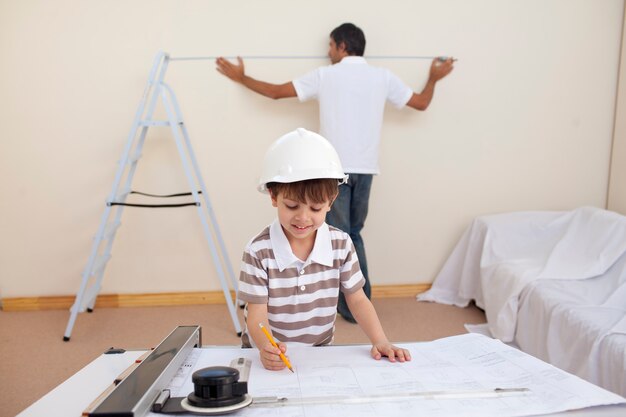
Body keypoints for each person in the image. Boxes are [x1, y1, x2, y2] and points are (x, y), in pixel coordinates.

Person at [217, 22, 454, 323]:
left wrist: (241, 77)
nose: (328, 52)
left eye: (330, 46)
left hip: (332, 170)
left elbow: (276, 93)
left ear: (342, 46)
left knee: (337, 237)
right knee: (352, 235)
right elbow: (421, 102)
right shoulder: (382, 77)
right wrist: (434, 78)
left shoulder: (325, 75)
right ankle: (357, 304)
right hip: (366, 169)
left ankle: (350, 306)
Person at [238, 128, 411, 371]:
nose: (303, 218)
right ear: (273, 195)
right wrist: (266, 347)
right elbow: (256, 313)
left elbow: (358, 299)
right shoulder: (258, 250)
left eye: (316, 208)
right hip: (267, 355)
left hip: (319, 354)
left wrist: (380, 340)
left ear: (331, 202)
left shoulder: (340, 244)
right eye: (292, 205)